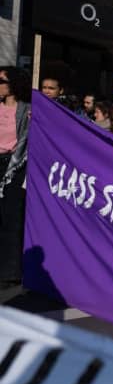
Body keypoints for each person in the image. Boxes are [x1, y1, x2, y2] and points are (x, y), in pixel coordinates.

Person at [0, 67, 31, 288]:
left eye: (1, 80)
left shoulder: (27, 110)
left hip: (14, 166)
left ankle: (9, 272)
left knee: (11, 217)